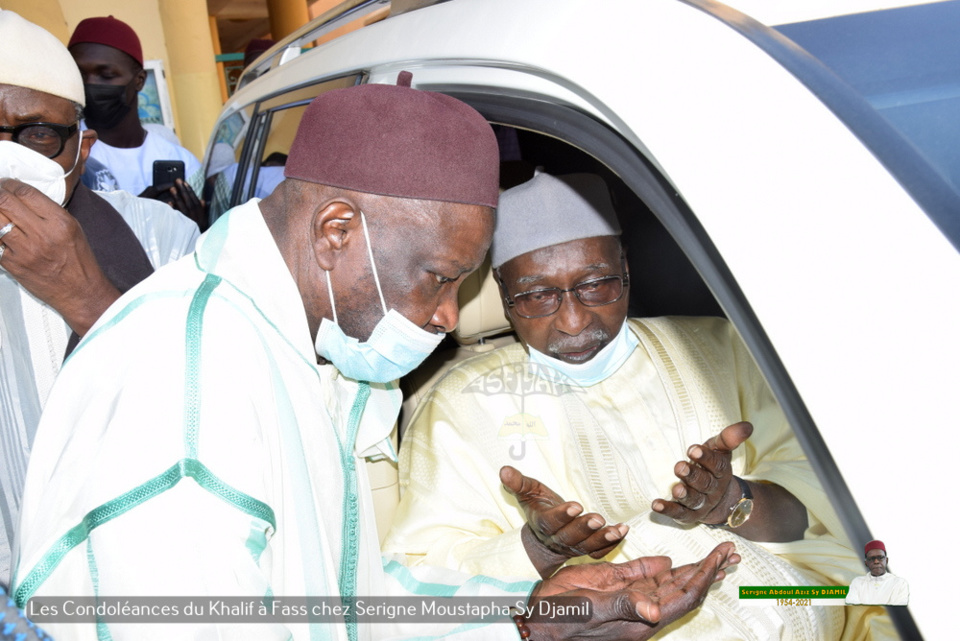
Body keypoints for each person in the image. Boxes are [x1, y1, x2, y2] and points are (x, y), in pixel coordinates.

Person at [12, 74, 739, 640]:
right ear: (335, 230)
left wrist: (533, 616)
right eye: (442, 278)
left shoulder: (300, 350)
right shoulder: (187, 384)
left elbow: (346, 608)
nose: (451, 315)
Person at [384, 172, 879, 640]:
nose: (574, 321)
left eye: (595, 284)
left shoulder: (722, 349)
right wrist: (539, 550)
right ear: (504, 297)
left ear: (625, 268)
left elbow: (833, 513)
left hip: (815, 605)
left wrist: (734, 502)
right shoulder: (457, 407)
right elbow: (418, 584)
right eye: (537, 296)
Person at [0, 10, 199, 586]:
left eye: (37, 132)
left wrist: (85, 296)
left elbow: (211, 402)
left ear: (81, 148)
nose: (9, 156)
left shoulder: (164, 237)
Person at [67, 15, 205, 227]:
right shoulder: (65, 155)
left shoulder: (182, 161)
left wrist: (197, 227)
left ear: (139, 80)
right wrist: (136, 215)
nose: (90, 84)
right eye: (79, 74)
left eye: (106, 75)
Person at [845, 540, 909, 606]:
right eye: (872, 558)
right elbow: (853, 606)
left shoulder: (899, 583)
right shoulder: (857, 582)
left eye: (880, 557)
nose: (876, 561)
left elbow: (899, 610)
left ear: (886, 560)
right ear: (866, 563)